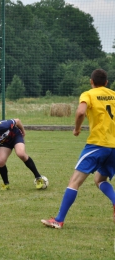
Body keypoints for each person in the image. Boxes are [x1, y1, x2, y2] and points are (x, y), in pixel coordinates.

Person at [41, 69, 115, 229]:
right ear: (107, 83)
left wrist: (77, 128)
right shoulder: (113, 95)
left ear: (91, 82)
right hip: (114, 147)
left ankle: (59, 220)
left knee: (74, 182)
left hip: (98, 144)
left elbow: (81, 111)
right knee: (100, 180)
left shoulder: (88, 94)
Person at [0, 118, 47, 190]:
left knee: (21, 154)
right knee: (0, 161)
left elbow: (17, 121)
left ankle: (38, 177)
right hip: (4, 142)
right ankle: (6, 184)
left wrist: (23, 131)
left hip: (15, 136)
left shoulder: (4, 126)